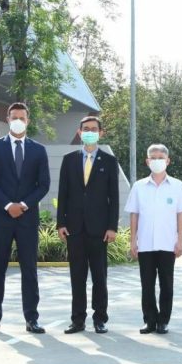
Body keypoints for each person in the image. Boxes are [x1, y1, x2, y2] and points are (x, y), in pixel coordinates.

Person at [0, 102, 50, 336]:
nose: (18, 120)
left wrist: (24, 205)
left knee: (29, 271)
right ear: (7, 119)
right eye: (14, 117)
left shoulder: (38, 150)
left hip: (27, 220)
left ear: (28, 120)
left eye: (22, 117)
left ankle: (32, 319)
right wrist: (8, 205)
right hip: (1, 218)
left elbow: (44, 184)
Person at [56, 116, 120, 334]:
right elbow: (63, 193)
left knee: (99, 277)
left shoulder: (109, 161)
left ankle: (100, 319)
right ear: (79, 132)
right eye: (86, 129)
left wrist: (112, 227)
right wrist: (61, 223)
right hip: (74, 228)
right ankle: (77, 320)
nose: (89, 132)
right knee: (77, 277)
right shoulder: (69, 160)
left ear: (101, 133)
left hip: (99, 230)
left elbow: (114, 197)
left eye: (94, 129)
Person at [125, 144, 182, 334]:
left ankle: (163, 321)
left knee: (166, 284)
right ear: (147, 161)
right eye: (153, 158)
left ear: (168, 161)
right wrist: (133, 241)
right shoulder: (139, 187)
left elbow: (180, 215)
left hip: (168, 243)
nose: (157, 161)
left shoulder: (178, 186)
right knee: (147, 285)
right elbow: (134, 215)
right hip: (145, 244)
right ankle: (149, 320)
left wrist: (180, 241)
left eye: (160, 158)